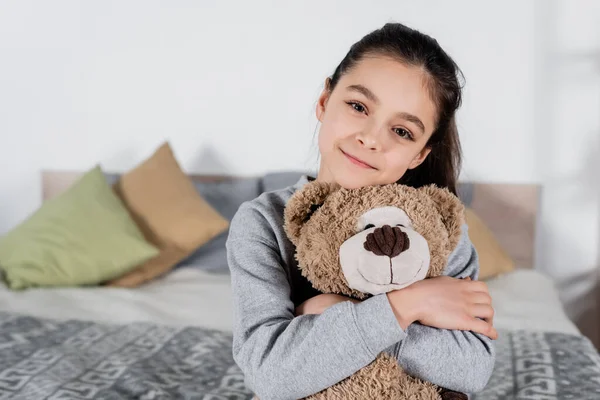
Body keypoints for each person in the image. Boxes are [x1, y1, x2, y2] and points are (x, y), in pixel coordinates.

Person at [226, 22, 497, 400]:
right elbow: (270, 374)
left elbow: (471, 369)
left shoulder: (438, 228)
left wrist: (330, 310)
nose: (370, 138)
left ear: (419, 154)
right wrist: (408, 305)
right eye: (358, 107)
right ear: (324, 101)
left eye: (402, 131)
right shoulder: (263, 221)